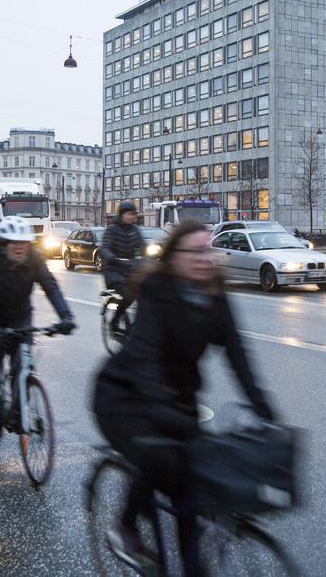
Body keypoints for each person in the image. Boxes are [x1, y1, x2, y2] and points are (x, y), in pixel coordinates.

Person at [93, 220, 277, 574]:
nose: (203, 258)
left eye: (207, 249)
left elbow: (237, 354)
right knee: (160, 455)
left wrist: (263, 407)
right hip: (125, 396)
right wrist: (162, 411)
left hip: (177, 398)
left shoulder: (215, 294)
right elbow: (145, 357)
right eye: (193, 251)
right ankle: (125, 526)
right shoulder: (158, 290)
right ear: (173, 257)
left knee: (190, 492)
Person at [0, 216, 75, 418]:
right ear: (3, 244)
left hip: (20, 316)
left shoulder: (34, 258)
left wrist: (65, 316)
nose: (19, 248)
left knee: (22, 360)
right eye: (14, 243)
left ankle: (20, 407)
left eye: (24, 243)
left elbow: (50, 286)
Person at [101, 201, 144, 335]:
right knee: (128, 295)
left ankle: (141, 327)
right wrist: (113, 258)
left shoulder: (135, 230)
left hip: (130, 270)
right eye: (129, 214)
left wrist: (148, 259)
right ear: (122, 214)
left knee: (146, 296)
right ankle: (114, 322)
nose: (132, 217)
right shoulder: (112, 230)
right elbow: (105, 248)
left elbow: (144, 247)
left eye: (134, 214)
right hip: (113, 271)